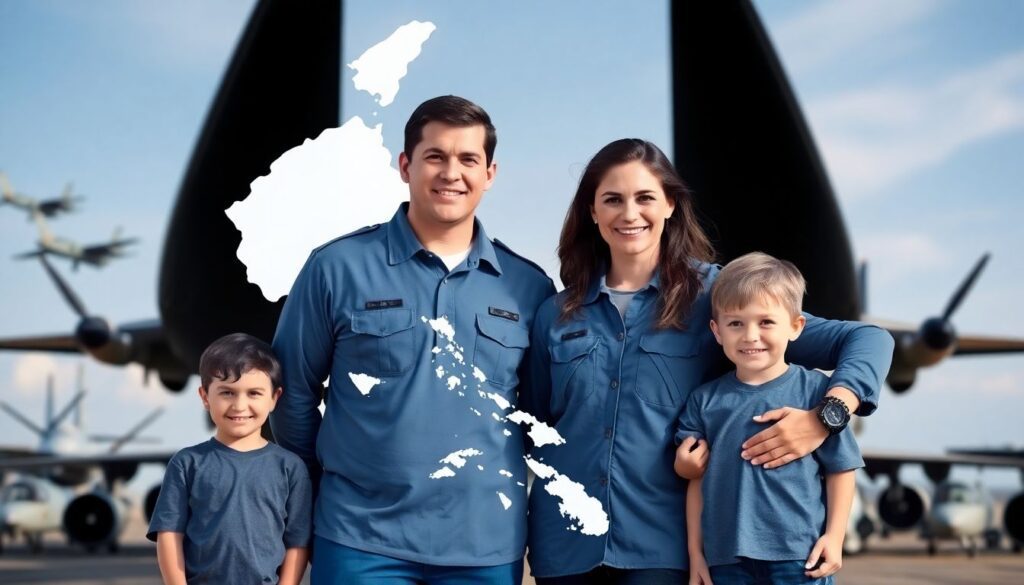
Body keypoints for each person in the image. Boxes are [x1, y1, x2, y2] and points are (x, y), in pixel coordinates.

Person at [522, 139, 892, 584]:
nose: (629, 213)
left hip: (662, 549)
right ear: (592, 211)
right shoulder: (555, 313)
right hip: (564, 546)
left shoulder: (717, 298)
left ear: (671, 205)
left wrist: (825, 417)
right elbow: (537, 428)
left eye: (645, 198)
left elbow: (868, 339)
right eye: (613, 200)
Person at [270, 95, 555, 584]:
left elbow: (545, 416)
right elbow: (291, 393)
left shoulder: (529, 287)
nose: (451, 173)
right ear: (405, 166)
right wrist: (319, 494)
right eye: (435, 157)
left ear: (490, 173)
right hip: (359, 541)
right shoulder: (335, 268)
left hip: (485, 547)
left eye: (468, 159)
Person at [679, 252, 862, 585]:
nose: (750, 335)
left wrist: (835, 538)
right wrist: (696, 554)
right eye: (735, 323)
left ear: (795, 326)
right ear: (716, 330)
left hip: (799, 558)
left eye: (765, 322)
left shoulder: (818, 392)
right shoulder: (703, 401)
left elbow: (842, 469)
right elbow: (696, 484)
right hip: (726, 561)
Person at [147, 333, 312, 585]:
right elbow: (169, 533)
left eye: (254, 393)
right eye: (227, 392)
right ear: (204, 397)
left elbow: (297, 541)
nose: (239, 405)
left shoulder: (290, 468)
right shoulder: (187, 463)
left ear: (274, 398)